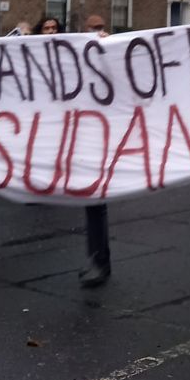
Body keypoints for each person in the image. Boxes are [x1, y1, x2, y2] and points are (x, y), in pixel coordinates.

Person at [72, 15, 112, 287]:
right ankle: (95, 258)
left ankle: (101, 263)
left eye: (99, 28)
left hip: (104, 141)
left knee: (96, 204)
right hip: (81, 140)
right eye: (91, 29)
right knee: (90, 204)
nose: (95, 33)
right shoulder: (74, 56)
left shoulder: (112, 56)